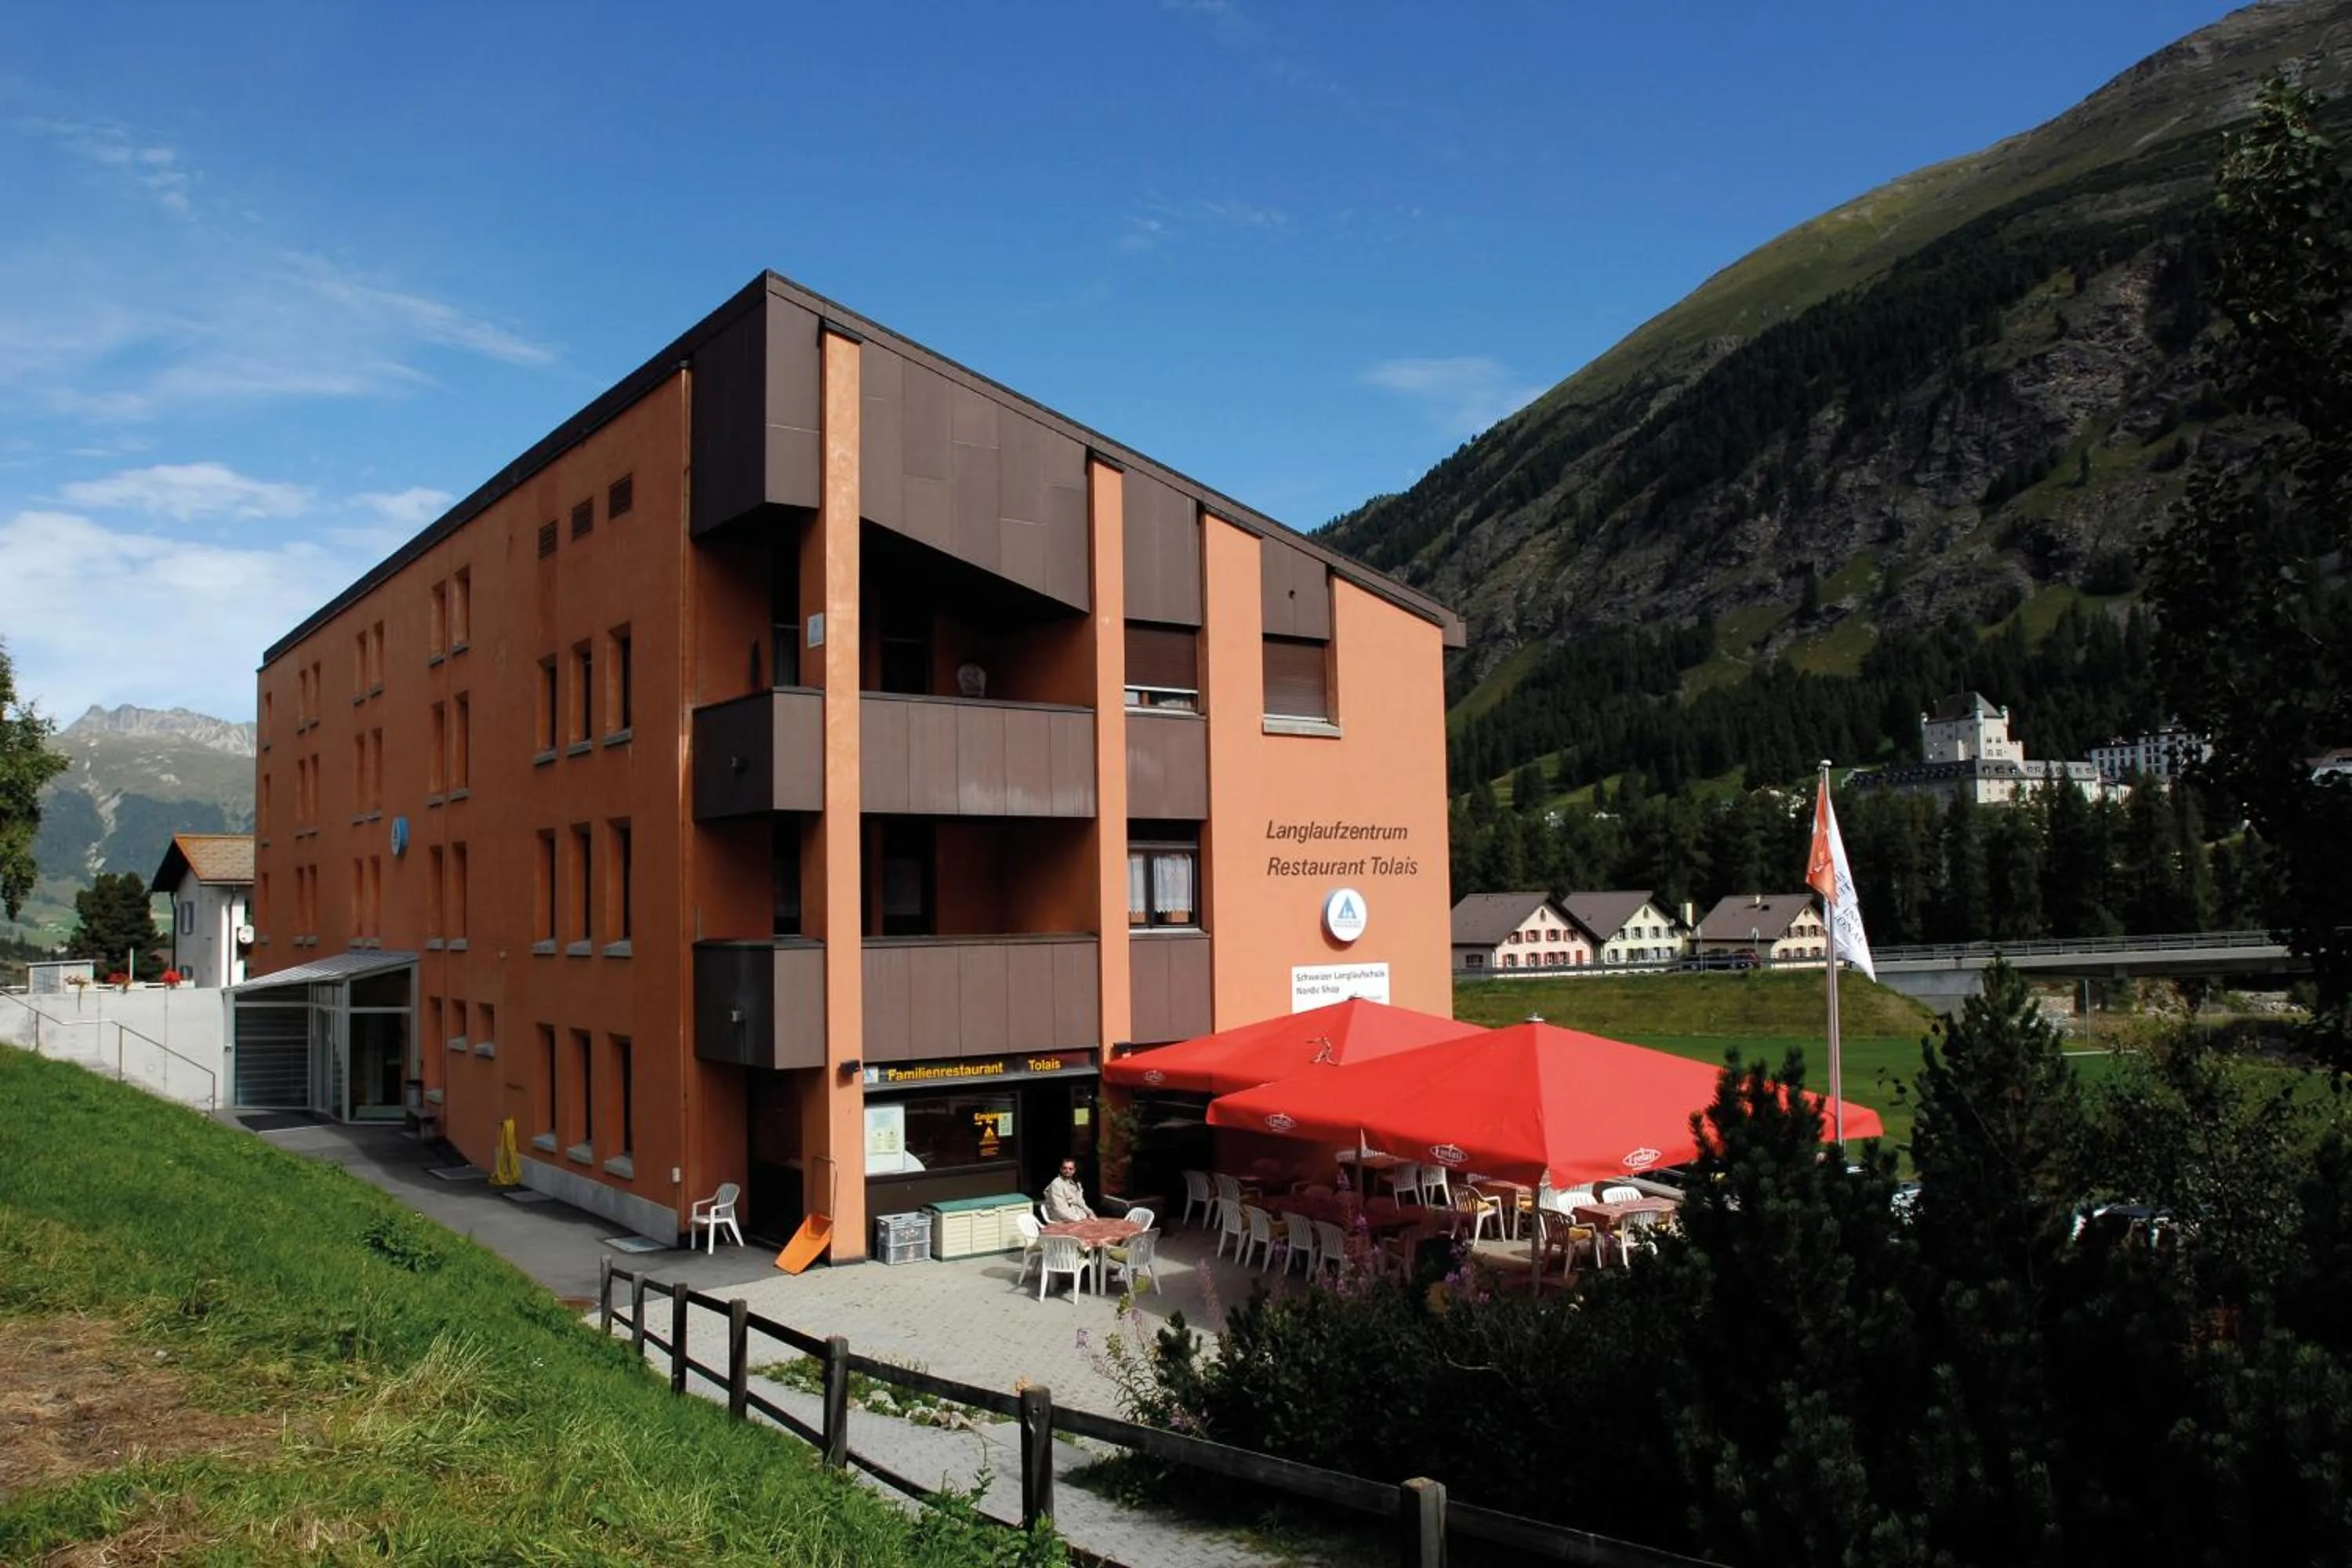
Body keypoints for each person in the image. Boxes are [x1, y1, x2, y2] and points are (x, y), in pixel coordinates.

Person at [1043, 1159, 1094, 1223]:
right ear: (1061, 1169)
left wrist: (1090, 1212)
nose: (1067, 1171)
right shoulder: (1056, 1184)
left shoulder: (1076, 1184)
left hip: (1079, 1218)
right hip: (1063, 1221)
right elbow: (1059, 1209)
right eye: (1065, 1168)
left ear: (1074, 1171)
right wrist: (1078, 1219)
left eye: (1070, 1169)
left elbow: (1081, 1203)